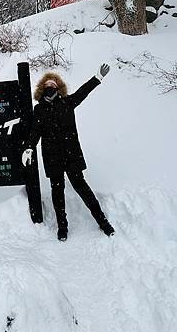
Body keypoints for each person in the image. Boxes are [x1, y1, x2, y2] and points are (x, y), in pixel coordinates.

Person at [22, 64, 115, 242]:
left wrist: (97, 78)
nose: (50, 88)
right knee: (57, 192)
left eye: (53, 86)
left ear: (59, 88)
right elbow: (35, 132)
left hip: (71, 154)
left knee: (82, 187)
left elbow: (83, 92)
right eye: (47, 86)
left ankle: (102, 221)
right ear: (43, 89)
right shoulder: (39, 110)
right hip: (52, 157)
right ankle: (62, 227)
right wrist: (28, 147)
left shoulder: (67, 102)